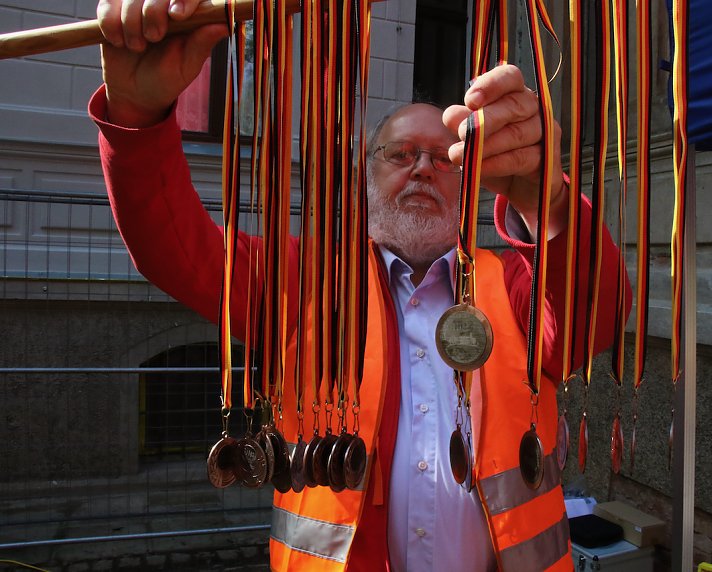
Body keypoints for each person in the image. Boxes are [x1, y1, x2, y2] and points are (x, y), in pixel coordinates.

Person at [92, 1, 630, 570]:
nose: (422, 168)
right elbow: (173, 248)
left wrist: (545, 200)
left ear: (471, 182)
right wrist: (137, 112)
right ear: (365, 182)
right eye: (400, 155)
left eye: (444, 160)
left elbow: (595, 313)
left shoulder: (516, 284)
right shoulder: (304, 284)